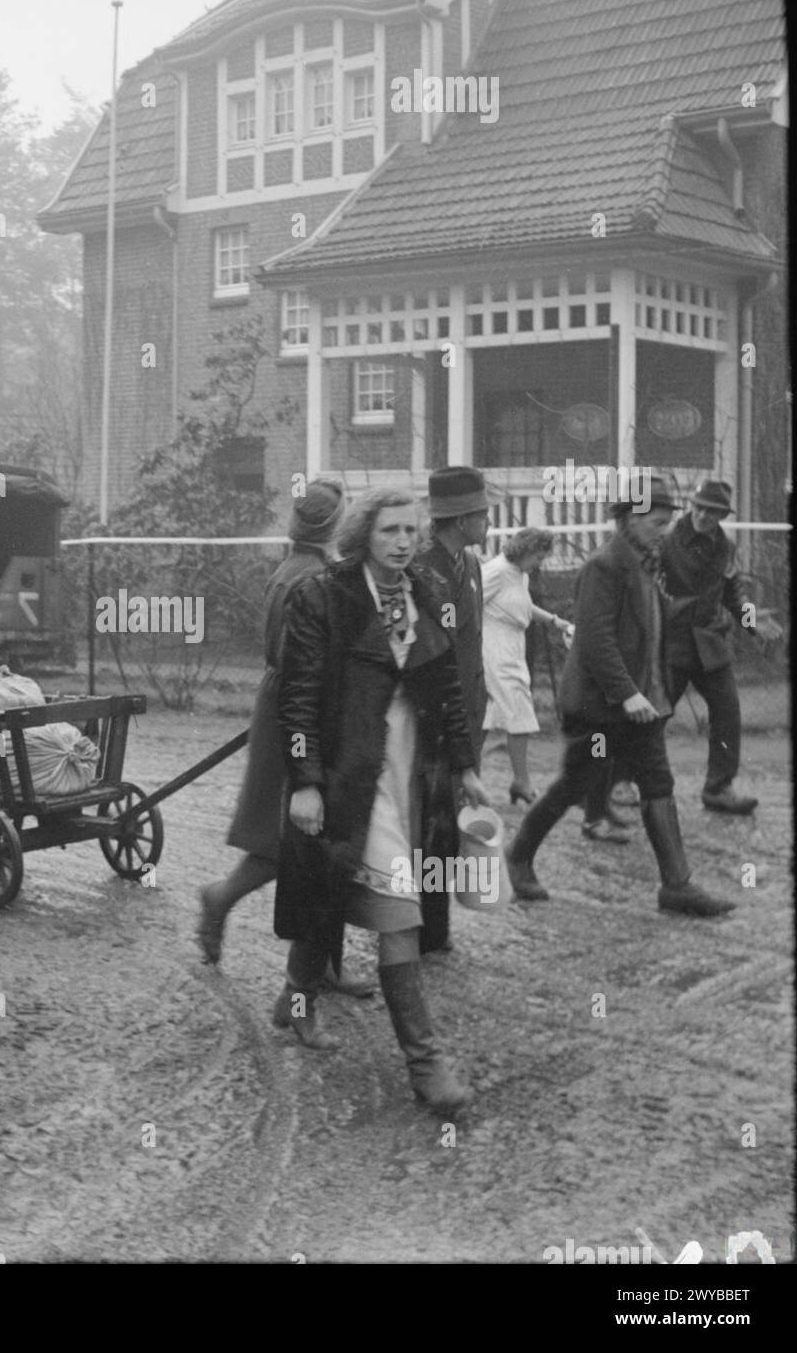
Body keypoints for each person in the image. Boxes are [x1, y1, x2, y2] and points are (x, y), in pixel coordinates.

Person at [272, 489, 491, 1117]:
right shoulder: (326, 597)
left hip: (407, 773)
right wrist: (307, 781)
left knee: (331, 888)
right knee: (399, 911)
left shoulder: (425, 593)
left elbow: (445, 684)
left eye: (411, 531)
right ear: (365, 534)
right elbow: (299, 696)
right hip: (348, 774)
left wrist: (466, 767)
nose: (402, 541)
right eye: (390, 529)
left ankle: (296, 995)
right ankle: (427, 1068)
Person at [505, 475, 734, 917]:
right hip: (602, 711)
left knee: (657, 783)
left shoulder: (644, 562)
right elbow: (595, 638)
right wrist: (626, 693)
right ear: (630, 516)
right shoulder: (605, 565)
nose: (663, 530)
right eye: (657, 521)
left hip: (641, 707)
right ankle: (518, 856)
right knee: (577, 782)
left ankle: (677, 886)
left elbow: (650, 624)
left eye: (668, 522)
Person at [196, 480, 370, 996]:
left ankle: (324, 960)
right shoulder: (315, 580)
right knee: (295, 841)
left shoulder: (294, 570)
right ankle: (221, 898)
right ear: (335, 529)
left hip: (286, 709)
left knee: (313, 843)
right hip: (303, 717)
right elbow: (310, 667)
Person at [582, 479, 780, 826]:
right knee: (651, 717)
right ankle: (619, 781)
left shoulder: (725, 547)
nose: (704, 515)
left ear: (722, 514)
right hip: (670, 644)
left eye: (713, 511)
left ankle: (718, 788)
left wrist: (752, 622)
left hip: (709, 644)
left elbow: (734, 594)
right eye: (699, 507)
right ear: (691, 505)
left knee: (728, 711)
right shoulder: (666, 539)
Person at [411, 465, 491, 954]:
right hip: (434, 719)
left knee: (450, 820)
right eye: (483, 512)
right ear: (461, 519)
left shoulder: (472, 565)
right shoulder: (423, 570)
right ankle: (424, 928)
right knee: (432, 823)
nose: (489, 520)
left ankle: (435, 930)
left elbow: (470, 643)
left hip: (467, 714)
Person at [479, 527, 576, 807]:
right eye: (537, 556)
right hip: (494, 648)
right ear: (523, 550)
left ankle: (476, 778)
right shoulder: (497, 570)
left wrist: (556, 621)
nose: (539, 563)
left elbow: (524, 606)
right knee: (517, 712)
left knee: (490, 715)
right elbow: (467, 604)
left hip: (512, 646)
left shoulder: (519, 574)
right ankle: (520, 782)